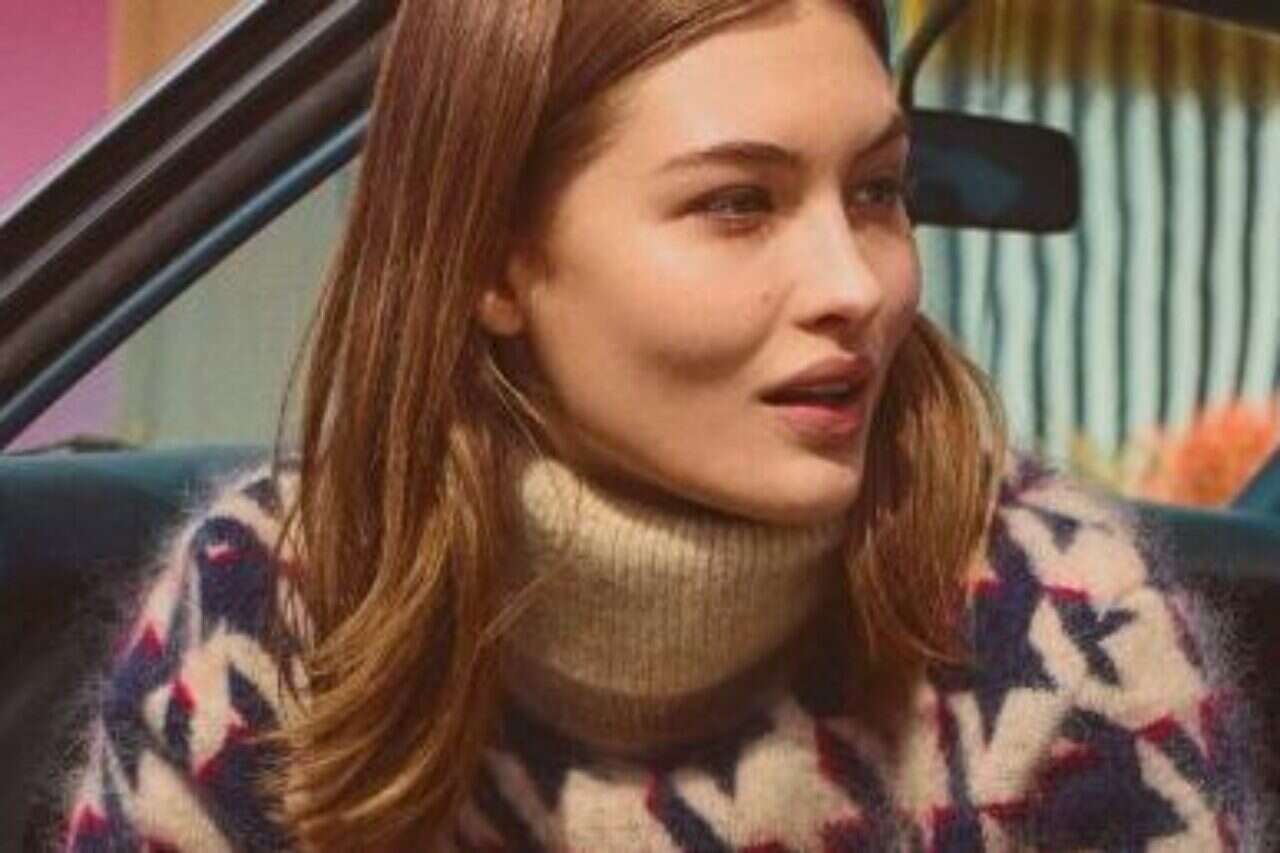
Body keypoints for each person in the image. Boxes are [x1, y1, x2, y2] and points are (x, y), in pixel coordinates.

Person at [60, 0, 1263, 849]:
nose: (854, 283)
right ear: (494, 260)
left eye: (877, 191)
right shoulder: (274, 605)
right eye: (737, 203)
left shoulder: (1058, 626)